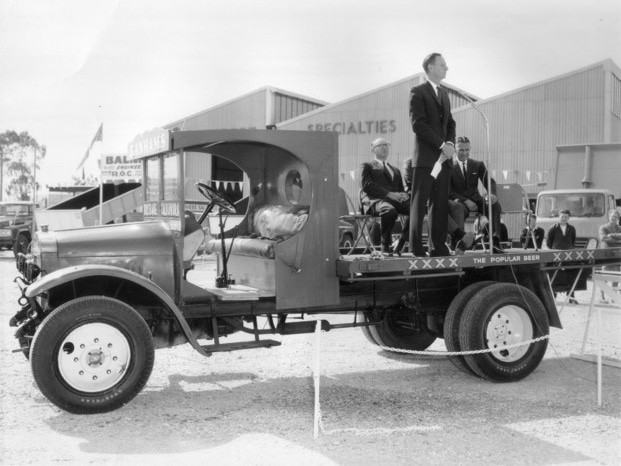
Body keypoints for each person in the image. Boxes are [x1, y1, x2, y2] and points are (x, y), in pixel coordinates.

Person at [408, 53, 456, 257]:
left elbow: (450, 123)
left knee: (440, 202)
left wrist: (451, 144)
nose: (447, 68)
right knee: (420, 202)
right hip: (427, 159)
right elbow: (418, 124)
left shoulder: (444, 94)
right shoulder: (417, 92)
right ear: (430, 67)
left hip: (443, 160)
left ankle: (438, 245)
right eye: (443, 65)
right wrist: (440, 145)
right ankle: (416, 246)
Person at [403, 156, 474, 254]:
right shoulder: (410, 162)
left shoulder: (434, 162)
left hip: (434, 195)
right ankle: (459, 235)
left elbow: (437, 181)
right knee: (438, 207)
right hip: (418, 197)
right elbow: (411, 183)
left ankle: (457, 244)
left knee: (456, 206)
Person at [360, 138, 410, 256]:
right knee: (389, 210)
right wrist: (389, 194)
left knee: (417, 209)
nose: (384, 147)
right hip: (375, 201)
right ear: (373, 149)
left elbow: (400, 190)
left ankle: (401, 241)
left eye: (386, 144)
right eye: (380, 145)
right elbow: (367, 185)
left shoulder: (396, 170)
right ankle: (385, 246)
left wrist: (403, 195)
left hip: (394, 201)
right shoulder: (367, 166)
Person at [449, 136, 502, 245]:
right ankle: (459, 243)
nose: (465, 153)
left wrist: (491, 194)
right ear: (455, 150)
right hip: (460, 202)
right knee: (458, 210)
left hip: (477, 200)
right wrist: (465, 201)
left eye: (467, 150)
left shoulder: (477, 165)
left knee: (494, 205)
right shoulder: (449, 167)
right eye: (461, 150)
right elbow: (449, 191)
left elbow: (490, 181)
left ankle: (495, 240)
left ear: (470, 148)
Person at [546, 209, 578, 303]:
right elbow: (549, 243)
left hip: (568, 256)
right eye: (562, 216)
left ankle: (571, 297)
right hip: (556, 256)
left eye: (566, 217)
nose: (564, 218)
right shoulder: (553, 228)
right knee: (555, 275)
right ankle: (554, 297)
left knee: (570, 275)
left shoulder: (572, 228)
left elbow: (573, 241)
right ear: (559, 217)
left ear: (569, 218)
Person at [598, 209, 621, 303]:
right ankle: (602, 297)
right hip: (607, 254)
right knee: (605, 276)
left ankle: (613, 296)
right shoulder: (603, 227)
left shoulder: (620, 228)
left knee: (616, 276)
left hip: (618, 254)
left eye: (616, 217)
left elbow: (609, 237)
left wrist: (612, 235)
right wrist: (618, 240)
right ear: (609, 217)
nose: (614, 219)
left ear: (618, 218)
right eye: (612, 217)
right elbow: (603, 238)